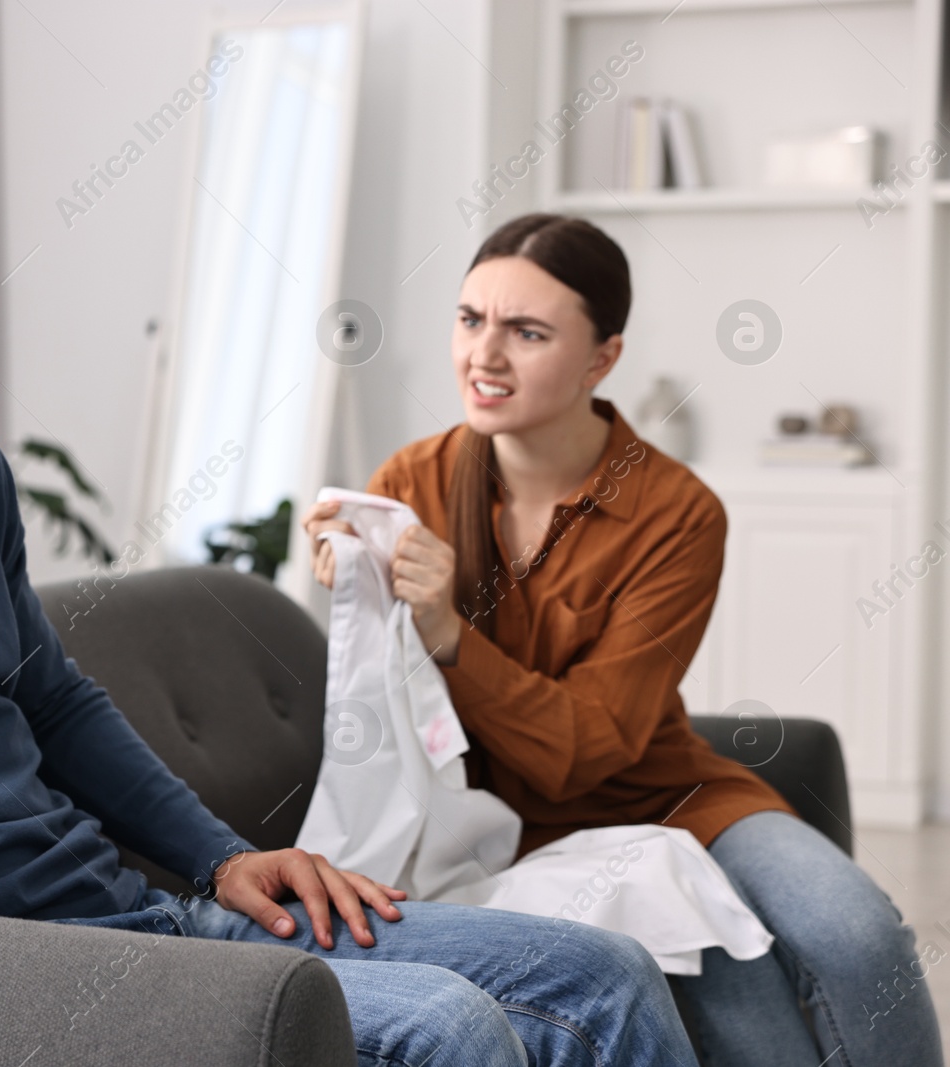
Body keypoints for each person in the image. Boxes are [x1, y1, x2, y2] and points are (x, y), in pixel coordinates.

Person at [0, 115, 699, 1066]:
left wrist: (214, 856)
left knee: (596, 970)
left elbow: (45, 692)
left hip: (130, 912)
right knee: (447, 1028)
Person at [303, 212, 943, 1067]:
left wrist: (453, 635)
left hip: (672, 797)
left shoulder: (678, 512)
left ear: (603, 357)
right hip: (505, 830)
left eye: (526, 332)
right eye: (470, 319)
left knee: (860, 934)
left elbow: (592, 746)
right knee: (752, 1018)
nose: (483, 356)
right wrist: (349, 572)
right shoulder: (409, 485)